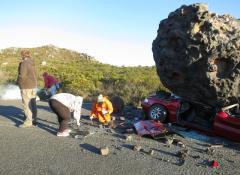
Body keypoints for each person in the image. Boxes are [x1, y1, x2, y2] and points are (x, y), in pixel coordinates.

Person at [17, 50, 37, 128]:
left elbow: (22, 76)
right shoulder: (33, 63)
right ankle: (34, 119)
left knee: (26, 104)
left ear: (23, 55)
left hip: (26, 86)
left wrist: (19, 83)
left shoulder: (24, 63)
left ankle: (28, 122)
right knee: (33, 103)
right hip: (33, 85)